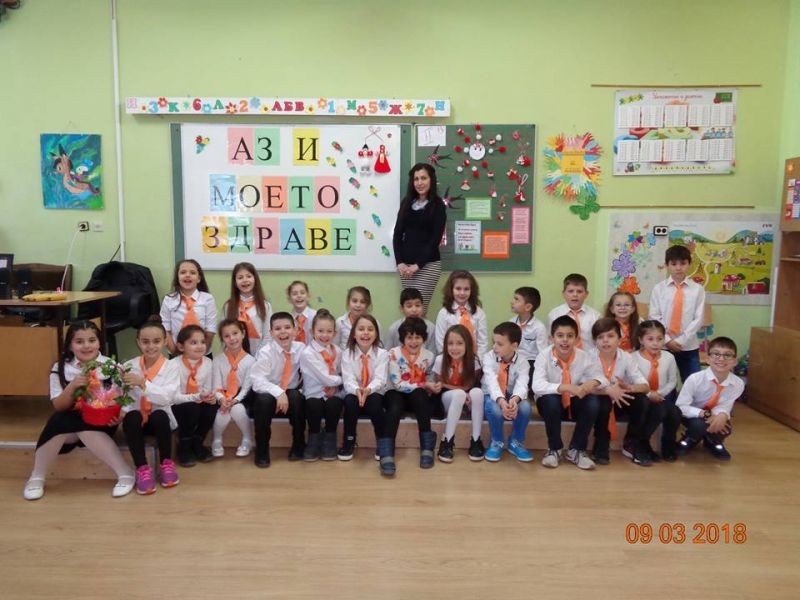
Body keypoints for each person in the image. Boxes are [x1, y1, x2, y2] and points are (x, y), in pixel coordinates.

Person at [23, 321, 135, 500]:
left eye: (92, 340)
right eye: (79, 341)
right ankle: (37, 476)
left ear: (99, 342)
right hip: (70, 425)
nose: (86, 346)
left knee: (83, 426)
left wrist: (121, 415)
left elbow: (126, 397)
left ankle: (125, 473)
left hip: (101, 422)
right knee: (60, 419)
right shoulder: (60, 368)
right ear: (70, 345)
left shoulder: (112, 367)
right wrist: (73, 385)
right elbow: (59, 406)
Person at [532, 315, 605, 470]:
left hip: (573, 403)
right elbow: (537, 386)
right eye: (560, 336)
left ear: (576, 338)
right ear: (552, 338)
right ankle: (554, 449)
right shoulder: (543, 356)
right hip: (550, 406)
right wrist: (566, 387)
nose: (565, 340)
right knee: (550, 400)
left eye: (570, 336)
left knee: (592, 401)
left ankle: (576, 450)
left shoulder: (583, 356)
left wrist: (592, 382)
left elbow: (602, 378)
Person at [122, 317, 181, 495]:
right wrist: (120, 411)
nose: (151, 346)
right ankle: (142, 469)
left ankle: (166, 464)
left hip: (159, 423)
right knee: (131, 416)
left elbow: (166, 398)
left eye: (156, 341)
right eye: (145, 342)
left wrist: (143, 384)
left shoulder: (172, 367)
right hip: (137, 422)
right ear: (138, 342)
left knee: (160, 415)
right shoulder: (128, 366)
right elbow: (123, 397)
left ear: (165, 341)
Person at [590, 318, 655, 467]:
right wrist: (608, 390)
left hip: (620, 402)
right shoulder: (588, 357)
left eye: (610, 336)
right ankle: (601, 443)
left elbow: (645, 386)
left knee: (642, 400)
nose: (605, 341)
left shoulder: (626, 357)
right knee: (602, 401)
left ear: (619, 338)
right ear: (594, 341)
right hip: (597, 405)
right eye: (600, 337)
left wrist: (629, 388)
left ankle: (632, 442)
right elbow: (581, 387)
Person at [248, 312, 306, 467]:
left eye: (287, 327)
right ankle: (261, 450)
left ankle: (299, 445)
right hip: (269, 391)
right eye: (278, 328)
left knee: (297, 398)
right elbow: (257, 381)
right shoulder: (265, 352)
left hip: (291, 391)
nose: (283, 332)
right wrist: (278, 392)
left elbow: (309, 373)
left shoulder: (301, 349)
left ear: (295, 330)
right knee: (263, 401)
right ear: (271, 333)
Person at [383, 317, 440, 474]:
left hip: (416, 395)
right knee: (394, 406)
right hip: (395, 393)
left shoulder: (429, 355)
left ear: (424, 338)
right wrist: (424, 385)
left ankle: (427, 448)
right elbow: (397, 384)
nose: (414, 342)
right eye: (409, 337)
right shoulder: (393, 354)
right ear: (403, 338)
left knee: (421, 397)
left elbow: (429, 377)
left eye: (418, 337)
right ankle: (386, 453)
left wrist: (433, 385)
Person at [675, 336, 743, 461]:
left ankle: (712, 442)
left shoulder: (738, 383)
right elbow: (681, 406)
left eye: (727, 355)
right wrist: (703, 414)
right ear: (708, 359)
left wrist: (722, 415)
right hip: (691, 415)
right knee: (699, 426)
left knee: (725, 428)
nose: (721, 359)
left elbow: (726, 405)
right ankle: (689, 439)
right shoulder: (695, 379)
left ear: (734, 361)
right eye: (716, 354)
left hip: (713, 414)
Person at [392, 162, 447, 313]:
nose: (419, 183)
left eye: (423, 178)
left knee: (419, 311)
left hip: (428, 266)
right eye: (416, 179)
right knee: (409, 310)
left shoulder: (438, 205)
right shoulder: (406, 202)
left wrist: (418, 265)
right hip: (406, 269)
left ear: (431, 180)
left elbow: (435, 240)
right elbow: (397, 234)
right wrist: (400, 262)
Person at [648, 245, 706, 382]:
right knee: (663, 382)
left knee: (693, 382)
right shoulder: (658, 289)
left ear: (689, 264)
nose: (678, 268)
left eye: (683, 263)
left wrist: (681, 341)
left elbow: (698, 318)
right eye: (674, 264)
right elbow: (654, 316)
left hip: (688, 346)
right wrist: (667, 340)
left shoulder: (697, 289)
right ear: (667, 265)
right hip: (662, 345)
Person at [338, 315, 388, 461]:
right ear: (354, 334)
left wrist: (368, 390)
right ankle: (349, 440)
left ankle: (382, 440)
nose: (366, 333)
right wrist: (357, 390)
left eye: (370, 329)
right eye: (361, 329)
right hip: (354, 391)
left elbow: (380, 379)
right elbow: (348, 379)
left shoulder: (382, 354)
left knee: (375, 403)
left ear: (376, 334)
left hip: (374, 391)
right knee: (349, 402)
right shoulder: (347, 354)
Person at [631, 319, 681, 462]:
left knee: (675, 412)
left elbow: (672, 381)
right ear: (641, 340)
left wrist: (660, 393)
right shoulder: (633, 358)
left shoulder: (669, 357)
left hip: (661, 396)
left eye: (660, 339)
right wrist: (649, 394)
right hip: (641, 397)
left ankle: (668, 444)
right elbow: (633, 380)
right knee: (659, 410)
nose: (655, 343)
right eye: (650, 339)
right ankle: (643, 442)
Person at [481, 322, 533, 463]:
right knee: (495, 410)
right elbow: (491, 382)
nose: (494, 347)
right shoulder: (488, 357)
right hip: (491, 394)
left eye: (500, 344)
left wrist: (514, 400)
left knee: (525, 408)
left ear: (514, 346)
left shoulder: (523, 362)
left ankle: (516, 441)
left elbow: (522, 384)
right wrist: (501, 401)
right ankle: (497, 441)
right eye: (494, 342)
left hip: (511, 395)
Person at [433, 324, 484, 462]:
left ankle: (476, 440)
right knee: (459, 394)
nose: (454, 348)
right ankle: (447, 441)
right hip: (448, 398)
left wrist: (465, 392)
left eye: (459, 343)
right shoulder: (440, 360)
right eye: (450, 343)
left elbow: (470, 384)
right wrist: (461, 392)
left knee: (478, 392)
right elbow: (440, 385)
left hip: (467, 398)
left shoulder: (473, 360)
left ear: (467, 344)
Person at [299, 310, 344, 462]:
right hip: (314, 393)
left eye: (329, 331)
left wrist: (337, 386)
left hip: (334, 393)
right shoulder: (308, 353)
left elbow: (342, 371)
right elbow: (326, 379)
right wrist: (341, 380)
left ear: (335, 333)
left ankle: (329, 439)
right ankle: (314, 438)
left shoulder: (338, 351)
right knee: (314, 405)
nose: (325, 335)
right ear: (312, 332)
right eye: (320, 331)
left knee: (335, 404)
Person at [170, 324, 217, 467]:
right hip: (178, 405)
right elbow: (174, 397)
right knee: (191, 407)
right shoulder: (173, 365)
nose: (200, 346)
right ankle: (184, 444)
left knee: (212, 405)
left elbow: (208, 388)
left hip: (198, 400)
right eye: (193, 342)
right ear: (181, 346)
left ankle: (198, 441)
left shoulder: (208, 363)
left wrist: (209, 397)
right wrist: (197, 397)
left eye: (202, 342)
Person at [210, 319, 255, 459]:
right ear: (222, 339)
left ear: (243, 334)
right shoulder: (217, 360)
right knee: (222, 412)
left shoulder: (251, 360)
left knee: (237, 409)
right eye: (227, 336)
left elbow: (247, 388)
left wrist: (235, 400)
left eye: (235, 333)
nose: (232, 338)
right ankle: (217, 440)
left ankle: (247, 439)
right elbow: (216, 386)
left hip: (242, 396)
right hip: (223, 396)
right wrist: (222, 400)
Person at [159, 259, 217, 354]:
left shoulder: (207, 299)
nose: (187, 275)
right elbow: (165, 328)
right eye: (183, 272)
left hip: (202, 352)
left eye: (192, 273)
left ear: (199, 278)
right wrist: (175, 352)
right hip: (177, 352)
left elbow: (210, 328)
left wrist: (202, 351)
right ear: (177, 277)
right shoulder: (169, 299)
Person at [434, 269, 488, 357]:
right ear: (451, 289)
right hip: (450, 359)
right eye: (458, 288)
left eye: (466, 289)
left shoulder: (479, 313)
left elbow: (482, 343)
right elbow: (440, 343)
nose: (462, 293)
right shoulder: (443, 313)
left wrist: (477, 361)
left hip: (473, 359)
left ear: (472, 290)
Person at [223, 262, 272, 356]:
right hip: (235, 355)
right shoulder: (229, 306)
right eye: (240, 277)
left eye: (249, 276)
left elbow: (268, 335)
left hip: (260, 355)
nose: (245, 280)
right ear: (235, 282)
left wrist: (259, 357)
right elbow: (225, 334)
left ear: (255, 279)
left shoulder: (265, 306)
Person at [547, 273, 600, 351]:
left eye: (579, 291)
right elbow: (551, 341)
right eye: (570, 291)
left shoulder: (595, 316)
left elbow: (599, 341)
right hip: (562, 355)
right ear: (563, 294)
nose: (575, 295)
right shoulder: (554, 314)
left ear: (586, 294)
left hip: (589, 356)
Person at [510, 286, 548, 393]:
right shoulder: (511, 323)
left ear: (528, 307)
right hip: (513, 360)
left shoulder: (539, 327)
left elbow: (543, 353)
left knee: (529, 375)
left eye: (516, 299)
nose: (512, 302)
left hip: (531, 362)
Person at [385, 287, 436, 352]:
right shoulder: (394, 329)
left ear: (422, 306)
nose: (414, 310)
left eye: (417, 305)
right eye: (409, 306)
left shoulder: (431, 328)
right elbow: (388, 353)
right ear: (401, 308)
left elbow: (432, 354)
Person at [334, 286, 382, 350]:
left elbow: (379, 346)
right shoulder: (340, 322)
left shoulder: (375, 323)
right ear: (348, 302)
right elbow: (334, 346)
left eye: (362, 302)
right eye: (354, 301)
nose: (358, 305)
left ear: (367, 304)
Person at [287, 280, 316, 345]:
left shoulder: (316, 316)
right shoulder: (287, 319)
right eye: (294, 294)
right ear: (289, 299)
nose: (299, 296)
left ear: (308, 296)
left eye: (302, 293)